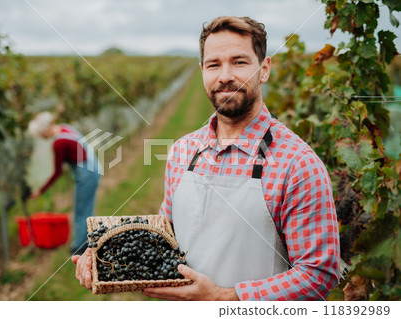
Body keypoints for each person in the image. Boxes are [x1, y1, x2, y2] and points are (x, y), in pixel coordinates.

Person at [72, 16, 340, 300]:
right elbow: (167, 233)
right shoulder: (182, 152)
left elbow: (318, 274)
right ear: (202, 71)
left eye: (239, 62)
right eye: (214, 64)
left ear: (264, 70)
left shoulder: (297, 164)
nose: (225, 75)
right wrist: (105, 250)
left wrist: (223, 298)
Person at [28, 112, 100, 255]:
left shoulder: (59, 142)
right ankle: (88, 241)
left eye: (42, 134)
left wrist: (41, 190)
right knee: (86, 208)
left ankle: (79, 247)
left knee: (81, 212)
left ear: (46, 130)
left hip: (85, 173)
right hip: (92, 168)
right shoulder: (65, 128)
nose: (43, 138)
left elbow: (57, 172)